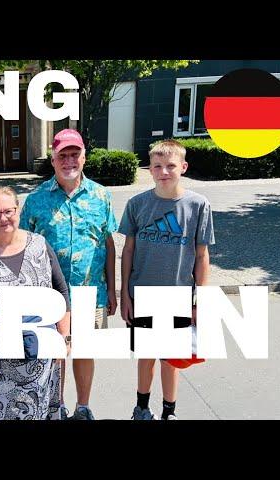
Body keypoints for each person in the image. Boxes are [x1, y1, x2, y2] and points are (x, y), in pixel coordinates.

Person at [19, 129, 117, 420]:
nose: (69, 161)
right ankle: (57, 406)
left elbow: (108, 243)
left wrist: (113, 289)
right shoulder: (36, 200)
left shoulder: (102, 196)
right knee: (56, 353)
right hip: (50, 296)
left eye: (75, 154)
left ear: (84, 158)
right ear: (53, 159)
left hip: (92, 292)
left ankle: (83, 406)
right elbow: (23, 247)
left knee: (85, 351)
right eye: (63, 155)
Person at [0, 186, 70, 420]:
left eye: (9, 211)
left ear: (18, 211)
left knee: (36, 411)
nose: (3, 218)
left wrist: (64, 338)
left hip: (38, 353)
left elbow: (61, 293)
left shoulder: (40, 245)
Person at [118, 139, 214, 420]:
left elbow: (201, 256)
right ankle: (141, 407)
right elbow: (129, 250)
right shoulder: (137, 204)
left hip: (178, 296)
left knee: (171, 358)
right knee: (146, 355)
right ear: (149, 169)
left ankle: (169, 411)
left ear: (183, 167)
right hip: (142, 294)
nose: (164, 172)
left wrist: (201, 301)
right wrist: (125, 293)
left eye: (171, 166)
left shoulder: (198, 205)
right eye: (157, 166)